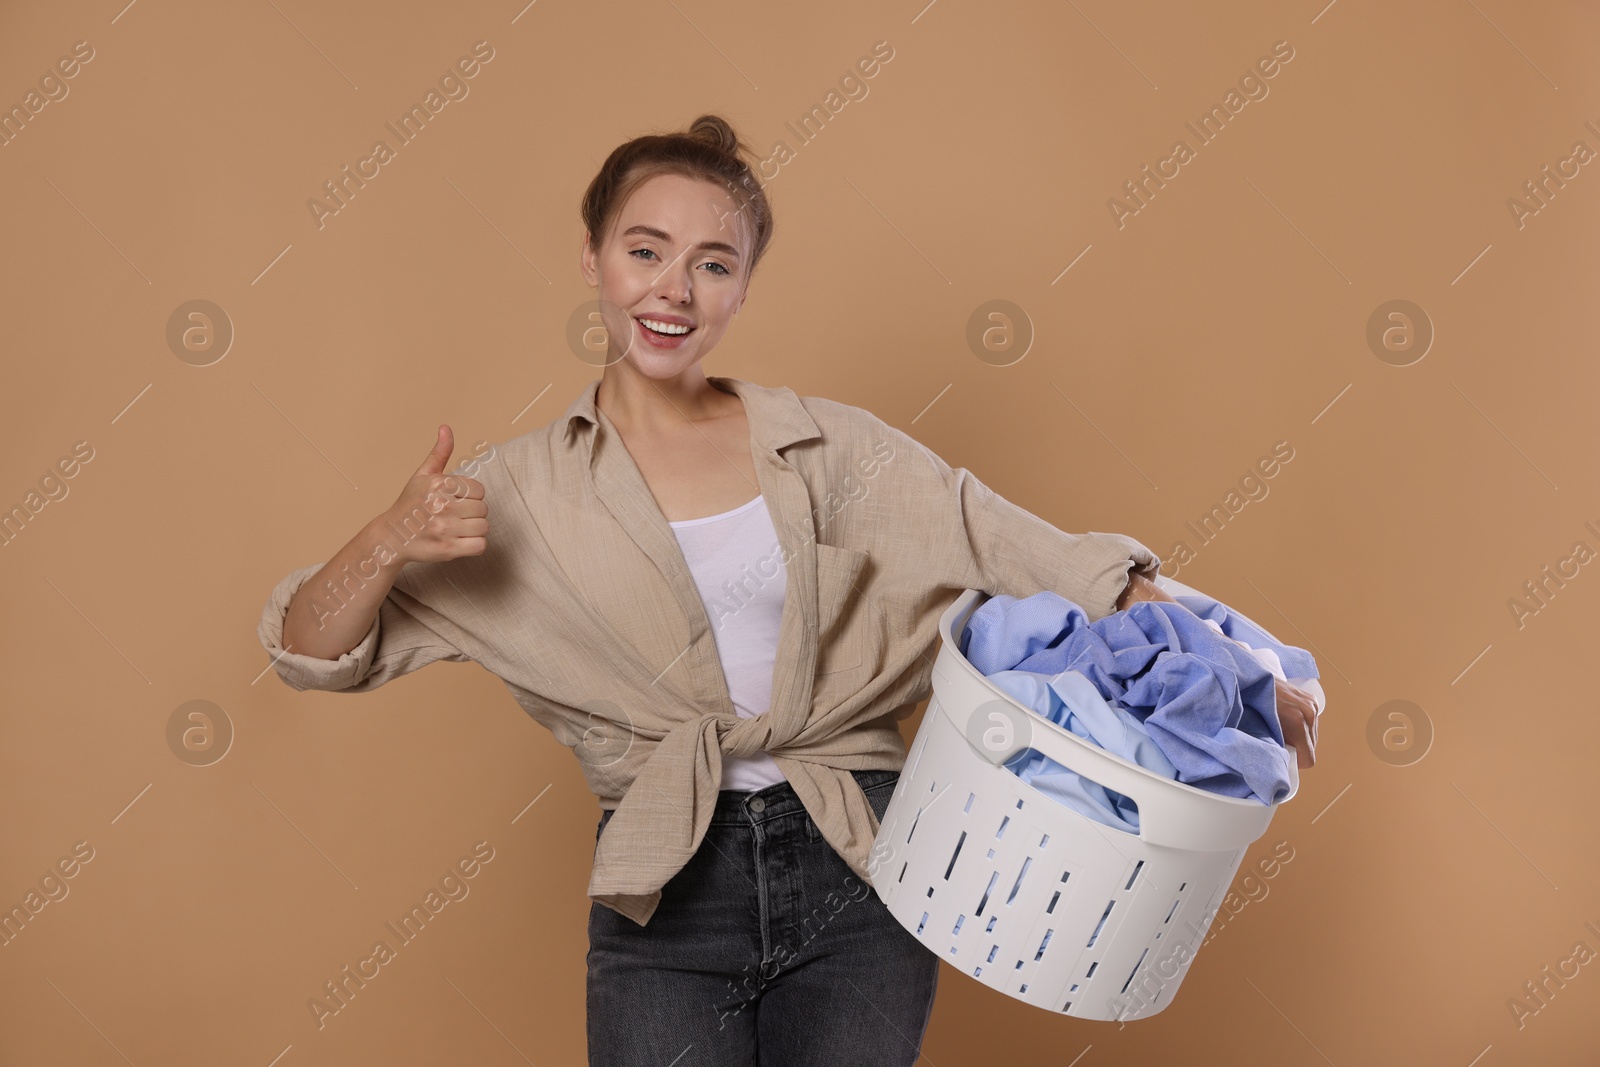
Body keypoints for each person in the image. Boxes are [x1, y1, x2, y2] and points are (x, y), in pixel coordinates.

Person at [259, 114, 1319, 1066]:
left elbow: (1012, 543)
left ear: (744, 285)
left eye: (712, 264)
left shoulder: (827, 448)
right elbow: (314, 647)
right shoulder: (515, 495)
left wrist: (1236, 669)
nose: (674, 289)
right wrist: (391, 535)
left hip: (864, 852)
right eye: (645, 251)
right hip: (662, 881)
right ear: (591, 257)